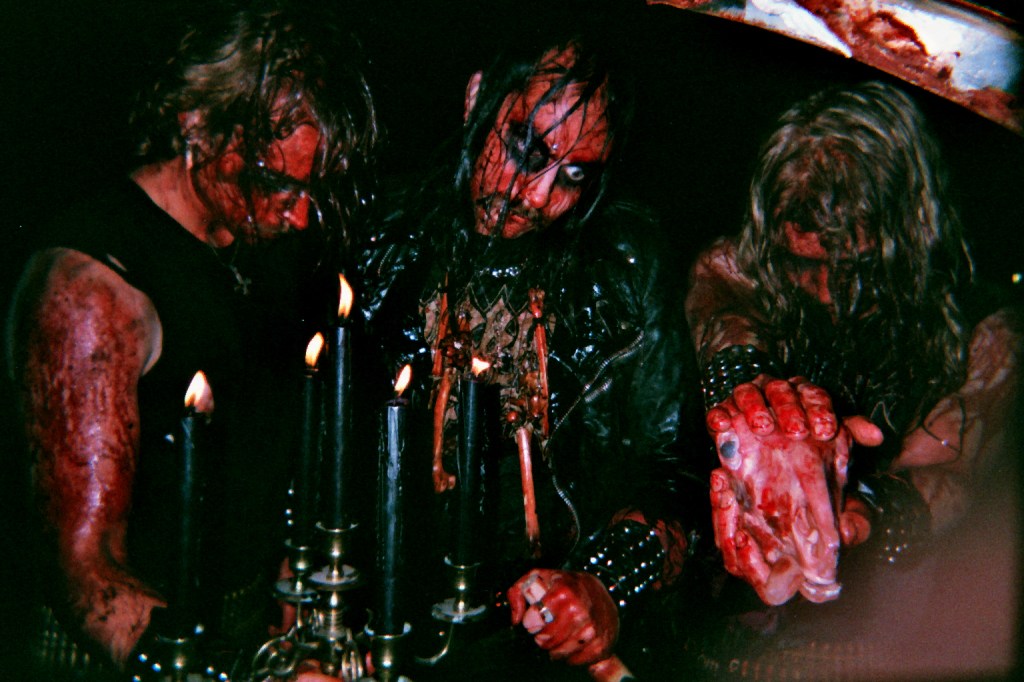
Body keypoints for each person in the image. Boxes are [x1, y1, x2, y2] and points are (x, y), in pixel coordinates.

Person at [5, 2, 378, 676]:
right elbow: (86, 573)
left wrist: (297, 609)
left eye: (311, 189)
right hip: (113, 657)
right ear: (198, 123)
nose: (299, 216)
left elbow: (265, 462)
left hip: (237, 634)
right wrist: (227, 671)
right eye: (274, 182)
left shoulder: (259, 243)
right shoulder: (91, 289)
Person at [358, 29, 702, 680]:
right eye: (525, 149)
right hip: (392, 635)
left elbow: (679, 477)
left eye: (573, 176)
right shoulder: (380, 244)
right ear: (477, 99)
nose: (540, 197)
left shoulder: (626, 269)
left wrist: (605, 584)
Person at [684, 81, 1020, 614]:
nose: (825, 293)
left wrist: (862, 509)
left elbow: (952, 473)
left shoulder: (988, 333)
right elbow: (726, 321)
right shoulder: (739, 270)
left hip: (894, 619)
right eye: (802, 264)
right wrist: (763, 406)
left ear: (910, 236)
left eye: (855, 269)